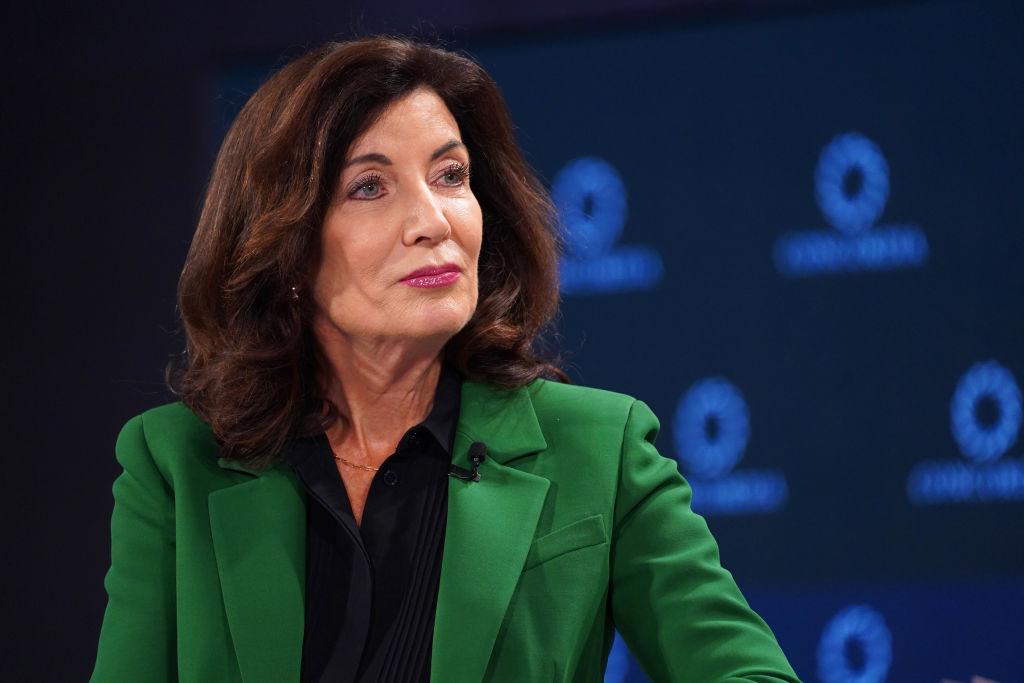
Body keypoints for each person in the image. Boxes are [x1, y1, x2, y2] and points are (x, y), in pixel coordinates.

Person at [91, 37, 802, 683]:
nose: (433, 220)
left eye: (451, 175)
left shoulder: (600, 450)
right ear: (288, 243)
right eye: (370, 186)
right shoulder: (174, 462)